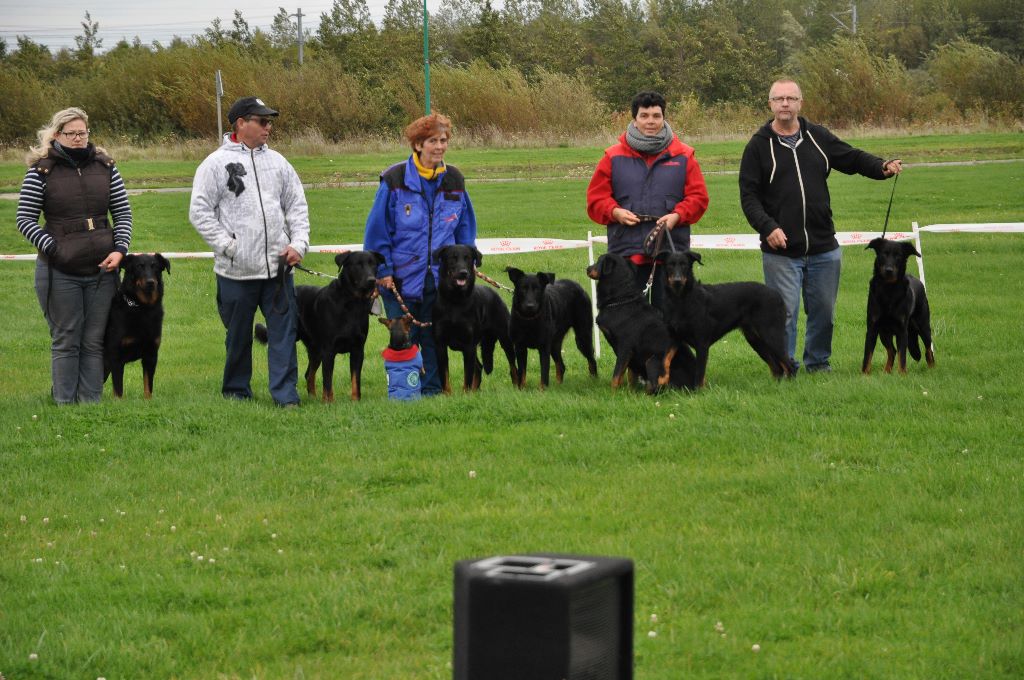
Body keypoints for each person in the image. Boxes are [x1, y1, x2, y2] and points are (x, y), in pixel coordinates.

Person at [739, 78, 903, 373]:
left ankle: (818, 365)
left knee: (823, 314)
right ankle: (785, 367)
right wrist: (767, 227)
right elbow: (749, 197)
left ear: (801, 103)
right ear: (770, 104)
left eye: (791, 98)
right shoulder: (758, 146)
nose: (785, 104)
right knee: (784, 315)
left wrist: (881, 167)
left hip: (824, 247)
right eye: (779, 99)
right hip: (782, 251)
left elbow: (851, 157)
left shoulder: (817, 136)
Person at [189, 96, 310, 406]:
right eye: (262, 121)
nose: (269, 127)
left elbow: (296, 205)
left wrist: (298, 244)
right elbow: (199, 212)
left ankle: (286, 397)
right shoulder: (214, 164)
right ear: (241, 123)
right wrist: (229, 247)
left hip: (278, 269)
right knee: (238, 337)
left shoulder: (279, 162)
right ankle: (236, 393)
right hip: (236, 271)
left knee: (284, 334)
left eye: (270, 121)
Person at [16, 107, 133, 404]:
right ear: (57, 136)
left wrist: (120, 250)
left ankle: (90, 404)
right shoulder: (41, 171)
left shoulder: (106, 167)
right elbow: (25, 220)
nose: (79, 138)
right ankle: (65, 405)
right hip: (59, 271)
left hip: (102, 270)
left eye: (83, 132)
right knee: (67, 340)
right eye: (72, 133)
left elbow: (122, 212)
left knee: (93, 342)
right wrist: (55, 249)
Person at [363, 112, 477, 397]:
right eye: (432, 141)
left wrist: (468, 264)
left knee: (433, 336)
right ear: (417, 145)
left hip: (441, 280)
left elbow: (464, 230)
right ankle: (404, 392)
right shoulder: (394, 179)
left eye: (443, 141)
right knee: (405, 335)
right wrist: (383, 271)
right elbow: (378, 232)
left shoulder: (454, 180)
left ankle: (432, 391)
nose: (439, 147)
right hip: (400, 277)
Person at [587, 90, 709, 305]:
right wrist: (615, 212)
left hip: (671, 258)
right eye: (644, 116)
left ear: (664, 118)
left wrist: (677, 216)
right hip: (625, 255)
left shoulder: (684, 156)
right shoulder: (612, 156)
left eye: (656, 116)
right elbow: (596, 199)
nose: (650, 121)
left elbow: (699, 198)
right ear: (634, 120)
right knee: (627, 327)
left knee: (671, 326)